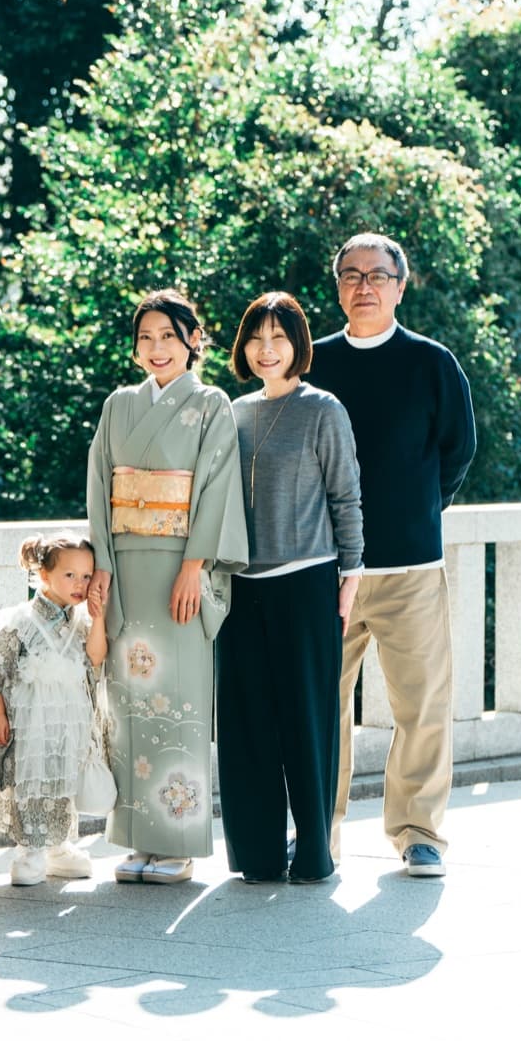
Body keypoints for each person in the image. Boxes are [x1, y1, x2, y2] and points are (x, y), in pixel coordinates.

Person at [307, 233, 476, 879]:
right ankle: (320, 831)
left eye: (378, 274)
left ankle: (419, 831)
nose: (364, 285)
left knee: (422, 706)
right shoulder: (312, 363)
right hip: (325, 571)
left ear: (401, 286)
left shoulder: (432, 363)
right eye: (351, 274)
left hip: (410, 569)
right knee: (321, 704)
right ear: (338, 286)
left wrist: (416, 512)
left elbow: (457, 451)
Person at [86, 289, 249, 885]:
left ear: (193, 342)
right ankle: (134, 836)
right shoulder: (117, 407)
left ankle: (176, 840)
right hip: (125, 570)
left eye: (169, 337)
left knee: (176, 701)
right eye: (146, 337)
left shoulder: (210, 405)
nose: (156, 349)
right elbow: (99, 489)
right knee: (127, 705)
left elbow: (216, 488)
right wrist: (102, 566)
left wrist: (194, 567)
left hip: (179, 569)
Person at [217, 292, 363, 885]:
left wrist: (347, 581)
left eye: (278, 337)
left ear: (298, 343)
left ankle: (313, 853)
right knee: (246, 722)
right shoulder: (233, 412)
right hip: (240, 591)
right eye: (256, 338)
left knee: (306, 721)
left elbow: (346, 497)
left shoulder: (322, 409)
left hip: (307, 583)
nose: (266, 349)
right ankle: (256, 853)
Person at [0, 533, 112, 887]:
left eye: (85, 576)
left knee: (62, 777)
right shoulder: (21, 620)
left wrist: (98, 616)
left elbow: (95, 658)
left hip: (67, 719)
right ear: (44, 575)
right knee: (29, 781)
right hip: (30, 719)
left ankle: (60, 847)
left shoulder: (81, 621)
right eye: (69, 576)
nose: (79, 584)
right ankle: (29, 850)